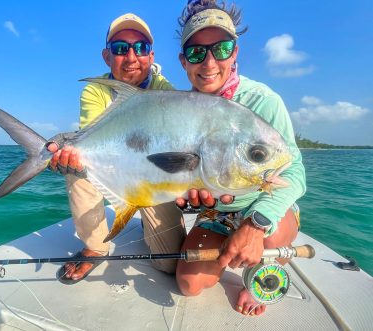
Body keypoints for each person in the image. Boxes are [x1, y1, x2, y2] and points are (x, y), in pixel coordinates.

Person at [174, 0, 306, 316]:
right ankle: (236, 241)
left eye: (220, 49)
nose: (208, 62)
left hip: (262, 203)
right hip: (218, 212)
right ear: (183, 61)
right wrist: (191, 200)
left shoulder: (264, 101)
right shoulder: (179, 112)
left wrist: (255, 224)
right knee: (189, 285)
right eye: (196, 52)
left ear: (235, 52)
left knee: (271, 237)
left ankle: (258, 271)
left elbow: (295, 170)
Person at [48, 13, 186, 283]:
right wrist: (69, 147)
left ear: (151, 55)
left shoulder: (162, 88)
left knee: (169, 264)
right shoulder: (95, 90)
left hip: (150, 176)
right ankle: (95, 245)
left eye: (141, 48)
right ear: (106, 56)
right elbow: (93, 140)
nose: (132, 57)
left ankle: (147, 219)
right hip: (111, 168)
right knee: (78, 163)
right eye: (121, 48)